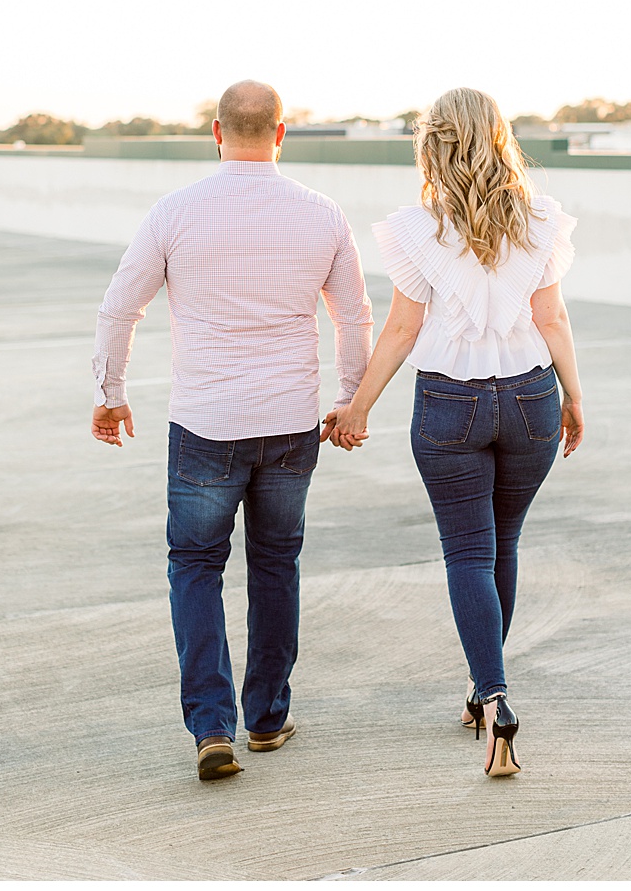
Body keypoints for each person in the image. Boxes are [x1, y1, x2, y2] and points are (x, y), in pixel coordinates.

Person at [91, 80, 373, 782]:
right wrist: (350, 400)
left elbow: (119, 307)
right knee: (277, 564)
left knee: (194, 567)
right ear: (281, 133)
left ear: (216, 133)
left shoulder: (175, 212)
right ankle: (269, 720)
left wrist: (110, 392)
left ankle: (212, 727)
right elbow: (354, 317)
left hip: (205, 426)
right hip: (289, 424)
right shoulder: (321, 214)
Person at [326, 87, 583, 778]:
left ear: (432, 143)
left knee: (468, 551)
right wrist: (575, 397)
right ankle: (482, 689)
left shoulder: (418, 229)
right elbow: (552, 318)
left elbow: (404, 329)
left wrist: (358, 406)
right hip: (532, 395)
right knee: (505, 544)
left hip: (449, 403)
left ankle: (495, 697)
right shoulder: (542, 220)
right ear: (499, 137)